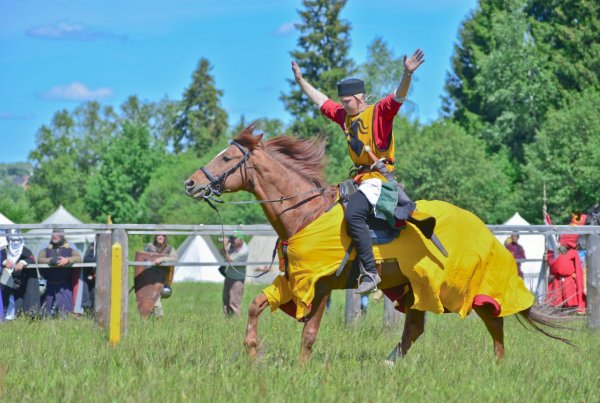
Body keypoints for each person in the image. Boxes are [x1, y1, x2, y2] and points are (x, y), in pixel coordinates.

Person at [291, 49, 426, 294]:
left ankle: (371, 273)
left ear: (360, 97)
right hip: (358, 179)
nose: (343, 105)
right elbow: (322, 101)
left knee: (353, 214)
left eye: (348, 101)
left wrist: (407, 73)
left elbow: (398, 96)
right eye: (342, 101)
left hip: (378, 180)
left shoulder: (379, 113)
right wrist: (301, 81)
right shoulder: (344, 117)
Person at [37, 229, 82, 318]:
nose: (54, 236)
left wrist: (68, 260)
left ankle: (64, 326)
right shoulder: (45, 250)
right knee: (45, 313)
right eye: (53, 234)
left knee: (65, 312)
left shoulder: (69, 250)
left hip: (64, 285)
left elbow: (79, 258)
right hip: (49, 284)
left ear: (62, 236)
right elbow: (39, 259)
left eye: (57, 234)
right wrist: (50, 260)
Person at [0, 229, 40, 319]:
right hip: (5, 282)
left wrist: (22, 262)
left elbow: (31, 259)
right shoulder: (4, 250)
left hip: (21, 282)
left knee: (19, 303)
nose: (15, 242)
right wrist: (5, 262)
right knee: (5, 300)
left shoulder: (25, 250)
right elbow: (0, 258)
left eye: (18, 240)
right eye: (13, 240)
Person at [546, 236, 586, 314]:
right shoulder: (557, 252)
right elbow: (554, 266)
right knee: (557, 299)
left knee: (570, 299)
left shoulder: (573, 253)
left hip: (569, 279)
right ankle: (558, 311)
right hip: (557, 279)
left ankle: (570, 311)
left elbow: (578, 269)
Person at [143, 234, 177, 318]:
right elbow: (143, 258)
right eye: (158, 235)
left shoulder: (169, 248)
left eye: (162, 235)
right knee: (152, 299)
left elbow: (174, 258)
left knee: (155, 299)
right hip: (150, 277)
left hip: (162, 277)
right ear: (155, 237)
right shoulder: (149, 246)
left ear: (165, 237)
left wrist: (162, 259)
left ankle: (157, 318)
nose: (160, 237)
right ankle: (153, 317)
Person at [221, 236, 248, 316]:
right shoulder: (233, 245)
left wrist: (225, 247)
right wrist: (224, 247)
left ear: (240, 239)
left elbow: (230, 260)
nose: (232, 241)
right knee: (226, 300)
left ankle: (236, 323)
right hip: (229, 276)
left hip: (237, 280)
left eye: (234, 239)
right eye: (231, 238)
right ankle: (227, 320)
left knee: (234, 302)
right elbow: (221, 252)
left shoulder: (244, 251)